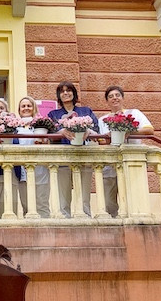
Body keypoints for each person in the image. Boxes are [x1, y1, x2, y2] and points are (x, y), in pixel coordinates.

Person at [97, 85, 154, 217]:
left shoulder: (134, 113)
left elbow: (149, 130)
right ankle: (113, 224)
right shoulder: (102, 121)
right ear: (107, 101)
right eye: (111, 96)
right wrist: (109, 138)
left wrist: (130, 131)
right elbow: (100, 141)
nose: (114, 98)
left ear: (122, 98)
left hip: (132, 164)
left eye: (117, 95)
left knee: (133, 199)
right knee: (109, 202)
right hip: (110, 165)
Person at [47, 81, 99, 217]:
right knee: (63, 195)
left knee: (84, 194)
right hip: (63, 158)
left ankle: (86, 217)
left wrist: (88, 131)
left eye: (68, 90)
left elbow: (97, 130)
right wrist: (61, 132)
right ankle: (65, 219)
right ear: (59, 95)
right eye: (62, 91)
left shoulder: (86, 111)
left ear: (74, 93)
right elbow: (49, 134)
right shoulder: (53, 114)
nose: (65, 93)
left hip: (84, 156)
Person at [16, 96, 50, 218]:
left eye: (29, 106)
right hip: (22, 171)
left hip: (40, 169)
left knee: (42, 203)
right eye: (23, 106)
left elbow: (48, 143)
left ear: (34, 108)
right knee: (27, 206)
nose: (26, 108)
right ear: (19, 110)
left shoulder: (42, 124)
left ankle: (45, 228)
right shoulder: (14, 126)